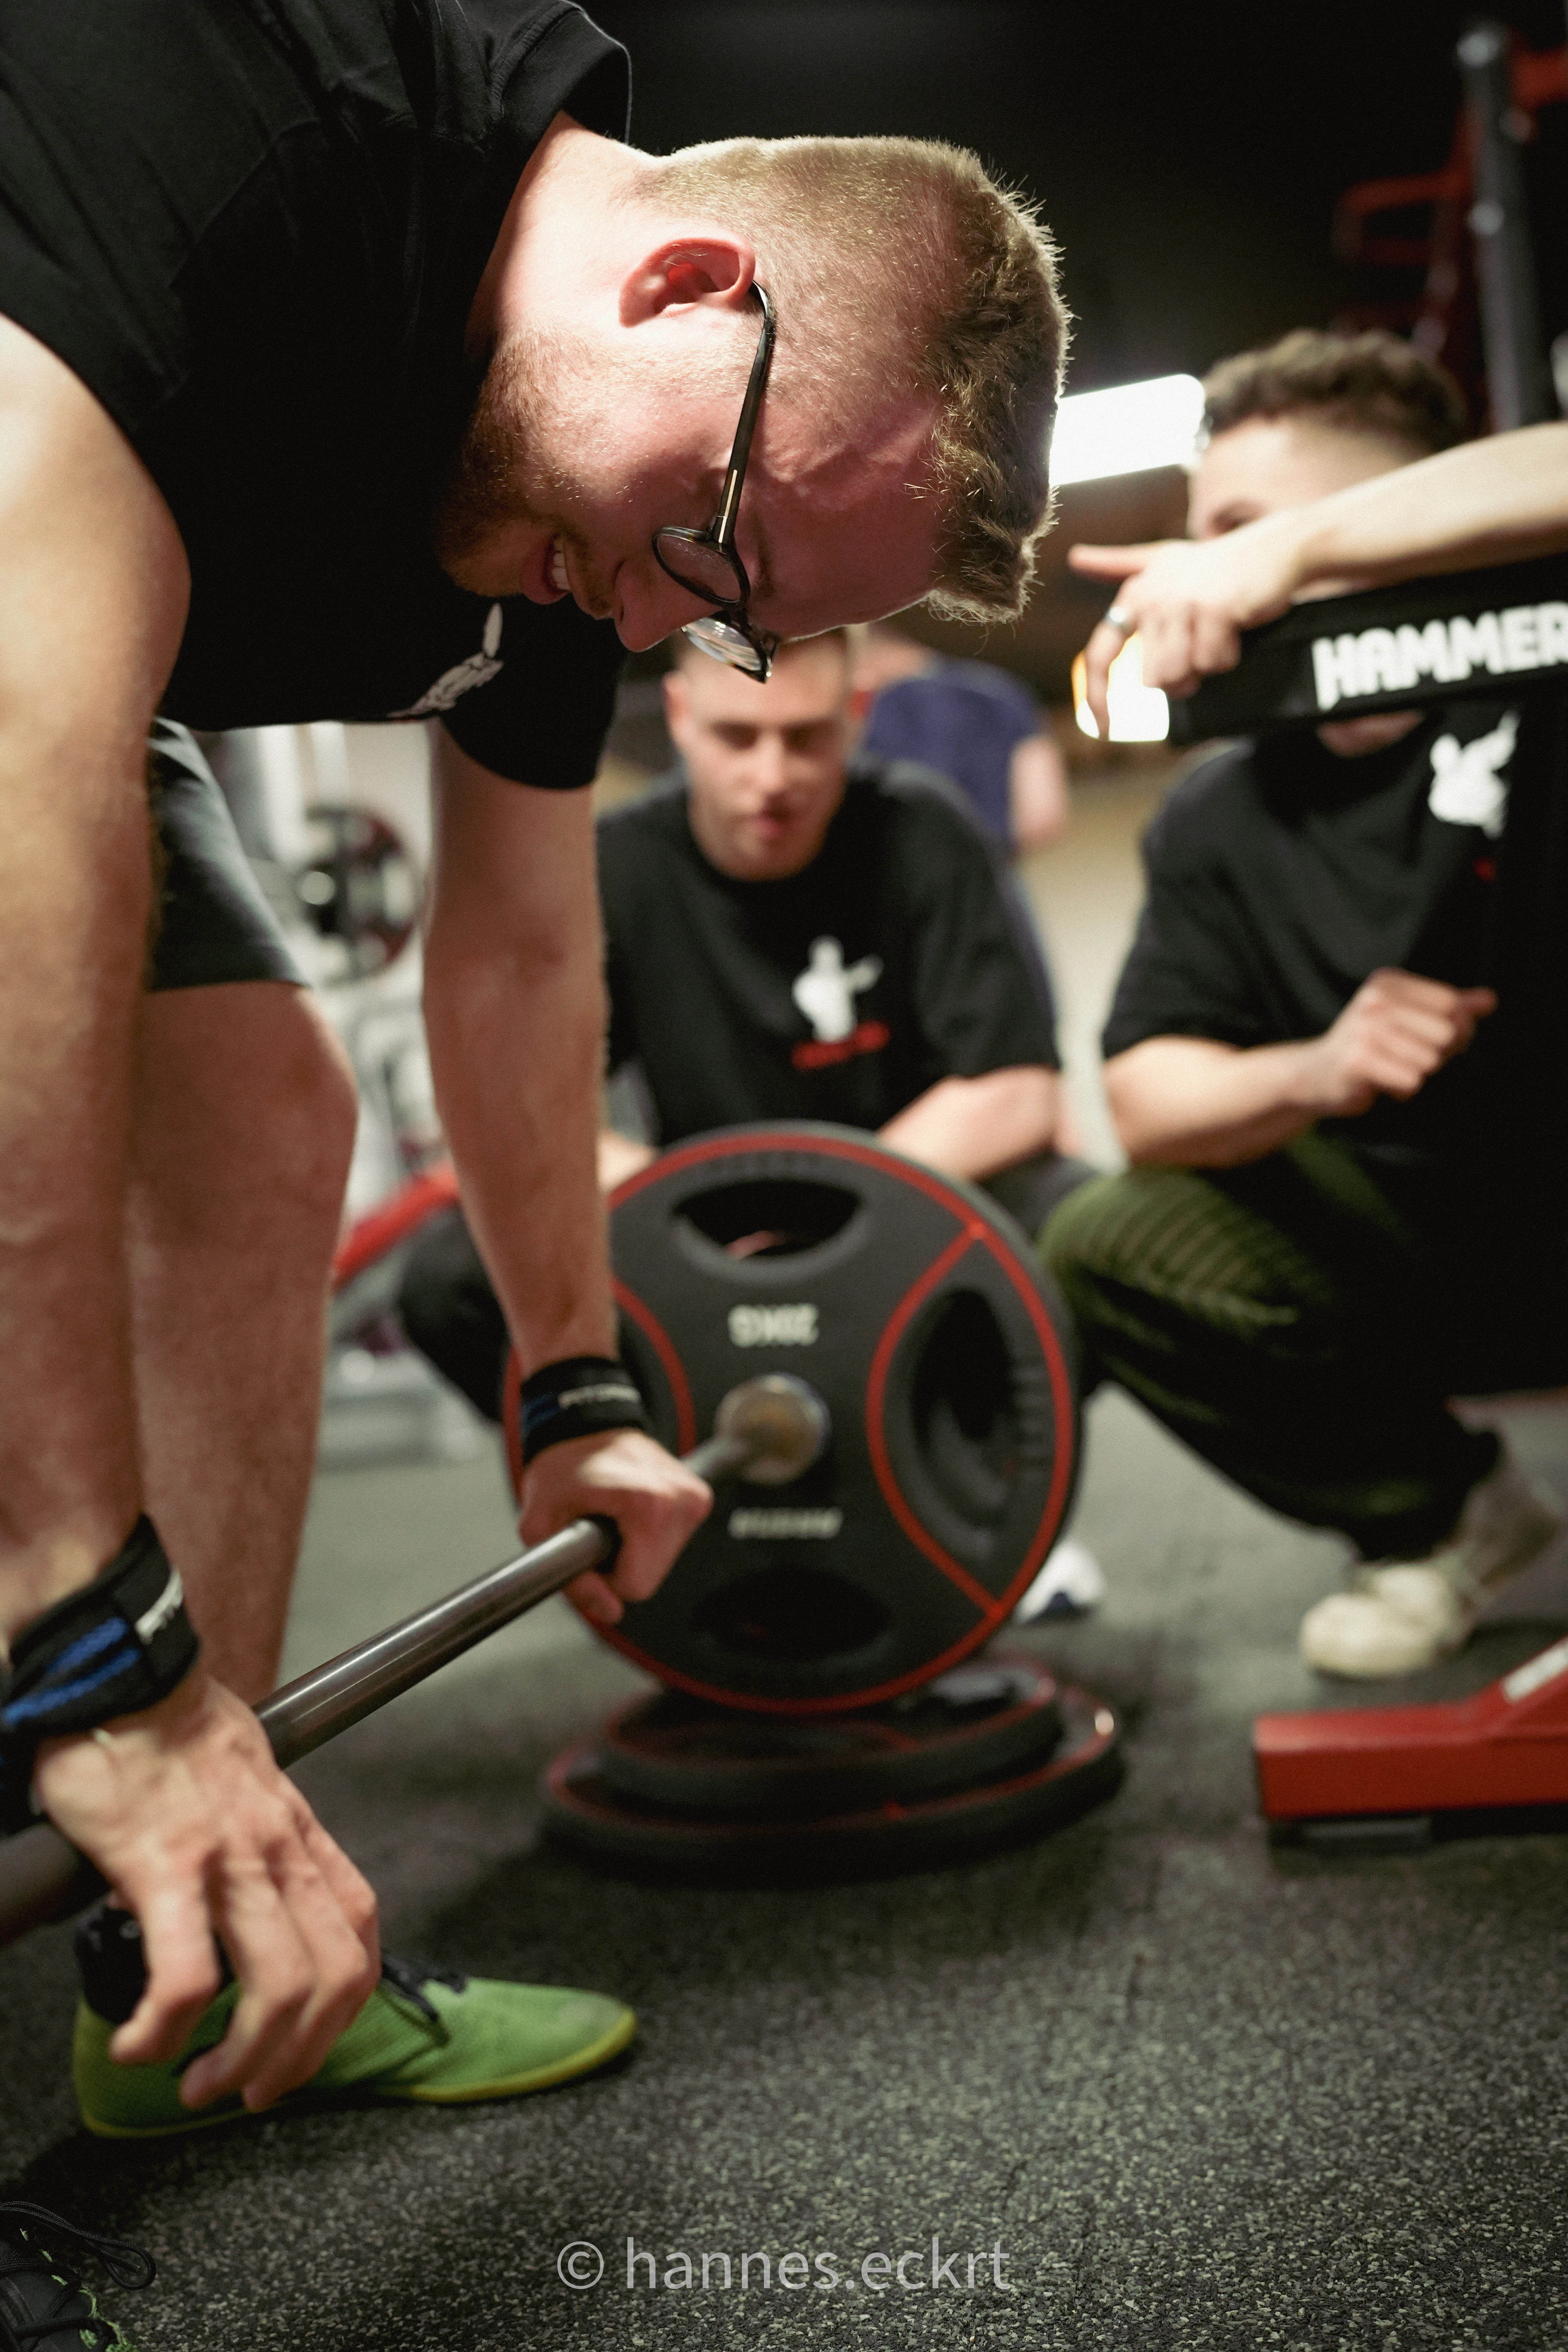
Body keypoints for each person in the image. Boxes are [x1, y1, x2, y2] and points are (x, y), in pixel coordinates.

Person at [0, 0, 1068, 2135]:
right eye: (710, 552)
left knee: (259, 1116)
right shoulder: (247, 131)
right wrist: (82, 1624)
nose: (678, 622)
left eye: (740, 618)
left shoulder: (608, 487)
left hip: (63, 665)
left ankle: (181, 1958)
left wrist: (573, 1383)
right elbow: (23, 819)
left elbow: (513, 947)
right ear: (680, 286)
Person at [1046, 329, 1568, 1678]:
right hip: (1427, 1250)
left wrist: (1296, 554)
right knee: (1109, 1236)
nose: (1193, 566)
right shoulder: (1224, 807)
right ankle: (1449, 1517)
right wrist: (1321, 1068)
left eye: (1240, 531)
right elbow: (1148, 1096)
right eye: (1197, 531)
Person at [400, 628, 1102, 1619]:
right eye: (738, 736)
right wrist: (697, 1215)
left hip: (907, 1206)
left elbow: (1017, 1091)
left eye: (807, 737)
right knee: (448, 1278)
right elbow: (528, 1109)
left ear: (855, 722)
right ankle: (663, 1513)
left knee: (1079, 1226)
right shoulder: (617, 863)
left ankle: (984, 1500)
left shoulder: (923, 830)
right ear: (682, 721)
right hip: (701, 1228)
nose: (772, 775)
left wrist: (826, 1216)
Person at [854, 623, 1071, 852]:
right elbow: (1042, 816)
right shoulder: (1002, 692)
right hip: (991, 877)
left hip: (895, 879)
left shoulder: (861, 713)